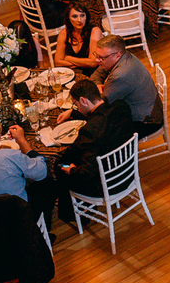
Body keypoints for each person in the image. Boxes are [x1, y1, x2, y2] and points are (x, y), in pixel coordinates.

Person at [53, 80, 134, 220]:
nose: (76, 107)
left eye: (76, 104)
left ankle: (74, 214)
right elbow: (100, 114)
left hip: (106, 185)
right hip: (127, 172)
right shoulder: (122, 107)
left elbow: (86, 172)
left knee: (59, 164)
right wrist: (74, 113)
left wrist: (72, 170)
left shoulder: (89, 131)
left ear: (83, 100)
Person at [88, 35, 163, 136]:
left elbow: (101, 105)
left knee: (98, 130)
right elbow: (96, 74)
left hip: (146, 121)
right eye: (97, 56)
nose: (97, 60)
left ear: (117, 55)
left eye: (101, 58)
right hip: (148, 109)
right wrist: (97, 84)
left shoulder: (121, 74)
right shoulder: (122, 56)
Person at [54, 2, 101, 71]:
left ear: (86, 16)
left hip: (92, 73)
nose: (79, 20)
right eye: (74, 16)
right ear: (68, 18)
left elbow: (93, 63)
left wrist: (69, 58)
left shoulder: (95, 31)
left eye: (82, 15)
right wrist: (84, 64)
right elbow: (58, 62)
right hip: (70, 72)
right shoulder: (64, 33)